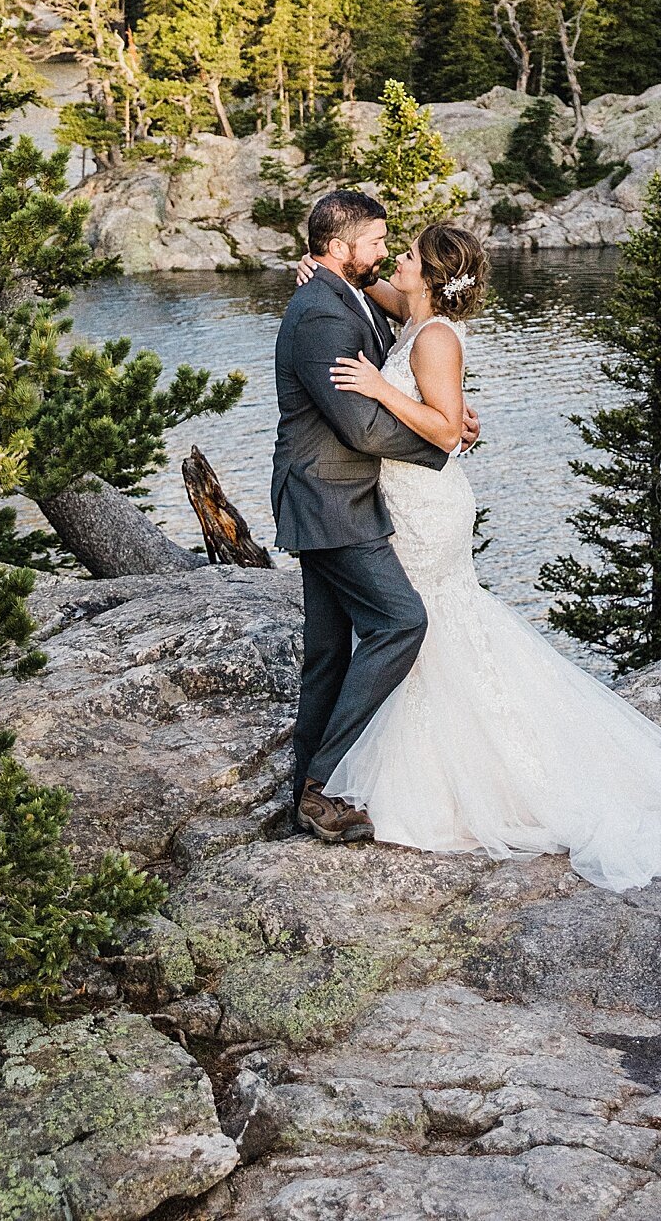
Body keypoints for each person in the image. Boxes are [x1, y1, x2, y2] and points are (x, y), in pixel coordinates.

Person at [322, 218, 661, 891]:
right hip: (406, 500)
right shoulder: (414, 315)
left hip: (427, 507)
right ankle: (448, 772)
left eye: (407, 257)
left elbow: (445, 431)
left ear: (433, 277)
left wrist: (379, 390)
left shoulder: (435, 337)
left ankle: (476, 784)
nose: (396, 263)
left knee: (432, 623)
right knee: (431, 626)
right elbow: (370, 290)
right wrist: (322, 271)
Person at [271, 187, 478, 844]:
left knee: (330, 653)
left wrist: (449, 417)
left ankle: (306, 790)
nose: (388, 253)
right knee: (401, 620)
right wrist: (442, 442)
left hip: (343, 495)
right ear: (339, 248)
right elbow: (361, 426)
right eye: (379, 242)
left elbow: (418, 339)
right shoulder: (323, 313)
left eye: (399, 247)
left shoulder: (353, 293)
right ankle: (322, 784)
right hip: (333, 496)